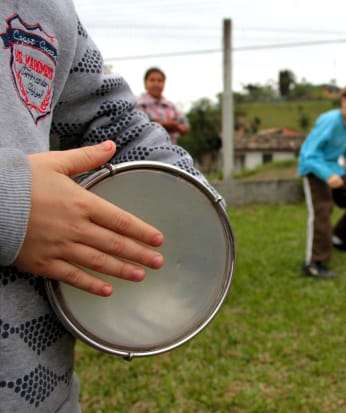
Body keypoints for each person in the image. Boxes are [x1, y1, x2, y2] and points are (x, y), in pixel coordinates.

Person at [0, 2, 217, 411]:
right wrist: (13, 203)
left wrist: (194, 201)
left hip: (44, 390)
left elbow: (112, 121)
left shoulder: (47, 8)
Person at [298, 83, 346, 278]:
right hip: (315, 170)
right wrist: (327, 175)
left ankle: (339, 238)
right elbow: (308, 154)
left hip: (334, 169)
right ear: (344, 101)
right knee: (322, 211)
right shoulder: (330, 121)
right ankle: (314, 263)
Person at [137, 67, 190, 145]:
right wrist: (164, 125)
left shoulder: (171, 106)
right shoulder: (138, 104)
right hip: (146, 152)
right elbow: (139, 126)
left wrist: (176, 126)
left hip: (171, 153)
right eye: (152, 80)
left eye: (160, 80)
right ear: (145, 84)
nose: (156, 83)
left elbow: (185, 128)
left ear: (164, 83)